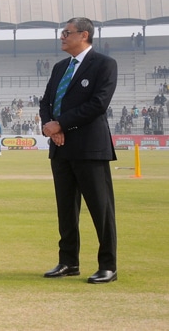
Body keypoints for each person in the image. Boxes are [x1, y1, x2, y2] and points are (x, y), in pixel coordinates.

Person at [40, 17, 119, 284]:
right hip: (61, 148)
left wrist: (60, 123)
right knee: (66, 209)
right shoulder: (60, 67)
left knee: (101, 209)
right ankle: (68, 261)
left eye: (67, 32)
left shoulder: (104, 64)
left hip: (90, 149)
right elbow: (46, 102)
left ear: (84, 35)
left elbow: (98, 104)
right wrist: (51, 127)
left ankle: (108, 265)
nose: (62, 37)